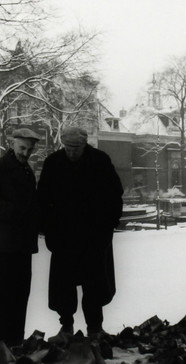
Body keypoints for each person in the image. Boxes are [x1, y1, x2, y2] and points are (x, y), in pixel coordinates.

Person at [38, 126, 124, 338]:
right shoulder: (53, 163)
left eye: (76, 147)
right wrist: (48, 230)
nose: (71, 151)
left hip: (94, 237)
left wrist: (109, 224)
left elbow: (115, 194)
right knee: (63, 286)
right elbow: (42, 199)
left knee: (94, 284)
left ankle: (95, 328)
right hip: (63, 237)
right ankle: (66, 327)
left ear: (85, 145)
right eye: (68, 147)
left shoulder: (100, 161)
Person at [0, 128, 40, 346]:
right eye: (22, 148)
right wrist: (14, 212)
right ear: (12, 144)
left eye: (30, 149)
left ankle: (15, 342)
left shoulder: (27, 171)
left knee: (20, 295)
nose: (26, 153)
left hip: (22, 245)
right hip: (3, 246)